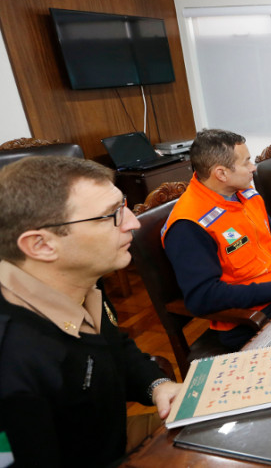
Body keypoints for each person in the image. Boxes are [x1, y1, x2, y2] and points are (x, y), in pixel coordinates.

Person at [0, 156, 182, 466]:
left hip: (110, 440)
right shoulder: (12, 363)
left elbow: (114, 348)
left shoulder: (79, 279)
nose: (133, 222)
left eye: (123, 206)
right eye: (109, 215)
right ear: (41, 245)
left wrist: (157, 385)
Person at [163, 129, 271, 349]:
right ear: (221, 174)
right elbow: (203, 297)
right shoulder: (188, 225)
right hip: (251, 318)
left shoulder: (242, 192)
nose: (253, 168)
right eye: (246, 162)